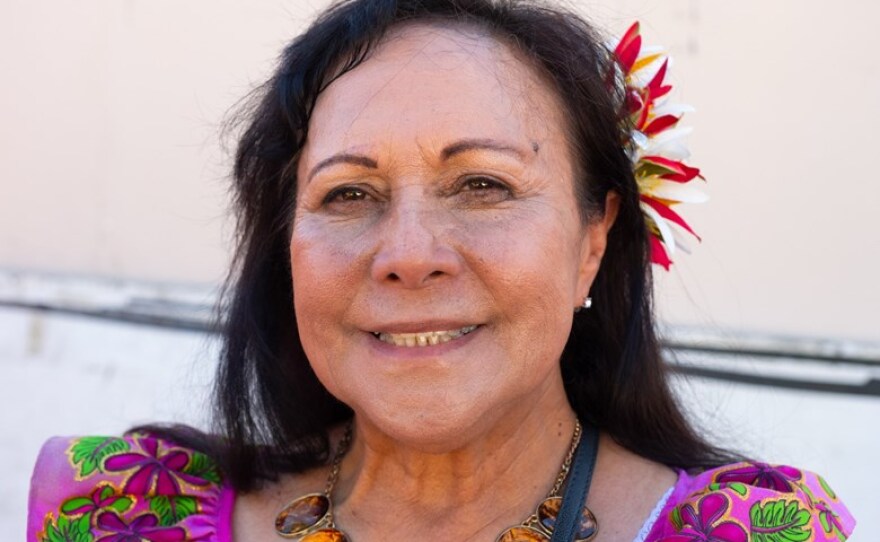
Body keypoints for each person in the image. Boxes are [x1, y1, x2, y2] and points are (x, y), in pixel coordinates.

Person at [28, 0, 855, 541]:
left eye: (483, 185)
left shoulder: (750, 532)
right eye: (349, 193)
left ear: (593, 240)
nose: (408, 256)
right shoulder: (124, 510)